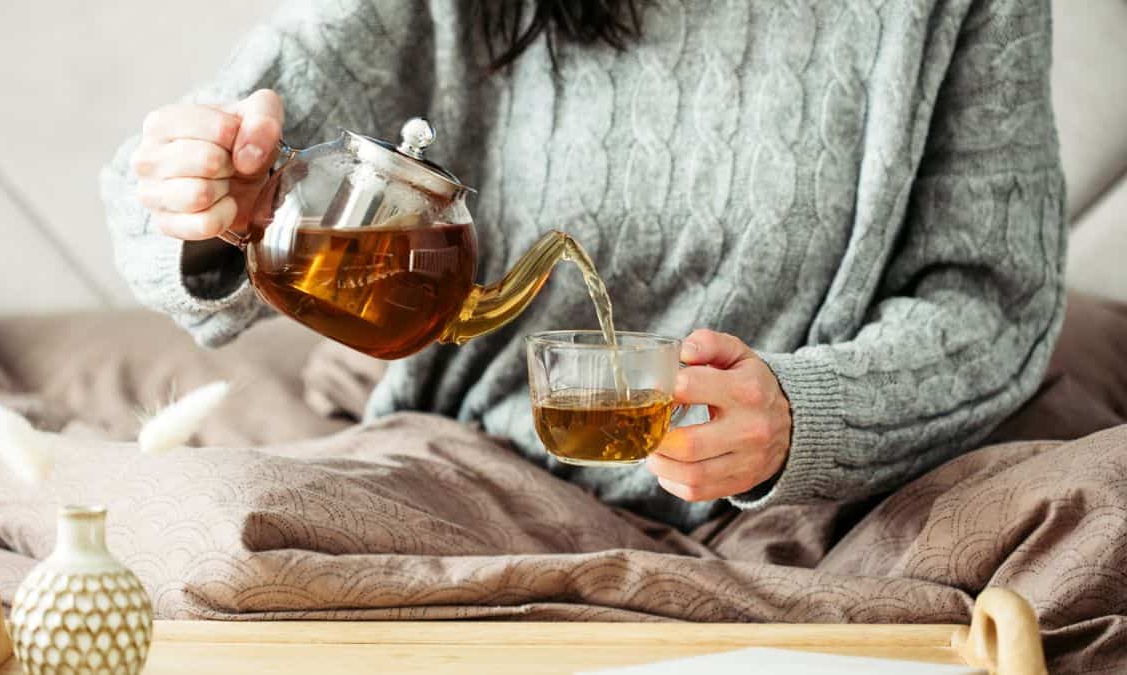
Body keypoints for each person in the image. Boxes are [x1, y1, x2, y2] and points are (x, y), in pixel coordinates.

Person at [102, 0, 1065, 531]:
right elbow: (189, 171)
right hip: (471, 476)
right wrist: (200, 194)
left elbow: (990, 297)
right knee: (203, 526)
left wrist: (801, 417)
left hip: (811, 514)